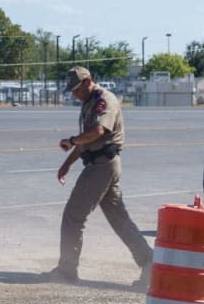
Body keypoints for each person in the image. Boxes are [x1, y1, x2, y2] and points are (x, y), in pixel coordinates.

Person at [45, 66, 153, 287]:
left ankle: (66, 271)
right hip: (100, 162)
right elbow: (87, 140)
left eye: (75, 89)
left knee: (74, 215)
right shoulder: (88, 102)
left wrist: (73, 141)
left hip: (102, 166)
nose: (73, 94)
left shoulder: (105, 100)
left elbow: (97, 132)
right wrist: (67, 164)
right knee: (120, 220)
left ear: (87, 82)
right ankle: (151, 265)